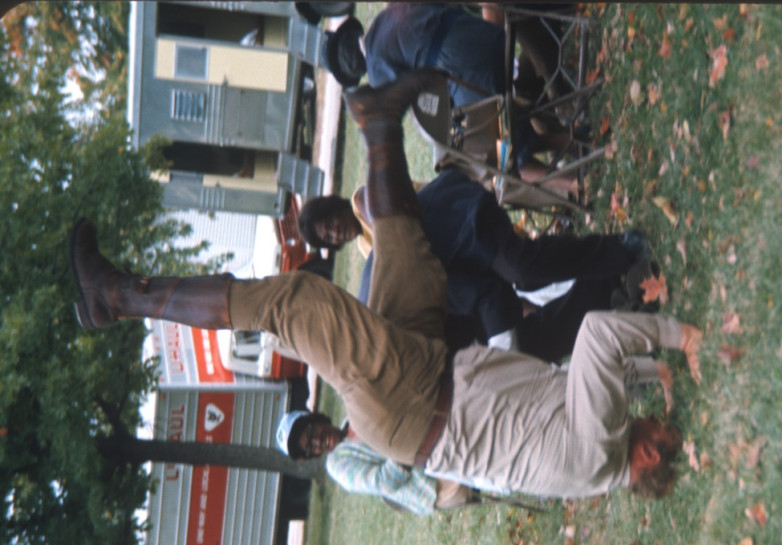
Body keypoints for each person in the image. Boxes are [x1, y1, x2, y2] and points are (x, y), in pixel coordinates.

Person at [68, 68, 700, 500]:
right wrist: (652, 371)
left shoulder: (599, 452)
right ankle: (377, 122)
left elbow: (595, 340)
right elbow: (597, 389)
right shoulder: (602, 446)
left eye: (651, 430)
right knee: (408, 252)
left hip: (412, 404)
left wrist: (678, 338)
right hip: (433, 377)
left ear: (643, 458)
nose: (638, 420)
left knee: (294, 301)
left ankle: (122, 297)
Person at [298, 167, 654, 361]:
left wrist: (502, 346)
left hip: (462, 220)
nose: (335, 232)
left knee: (521, 270)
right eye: (328, 237)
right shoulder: (374, 289)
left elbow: (478, 293)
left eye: (329, 224)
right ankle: (602, 295)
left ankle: (618, 250)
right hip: (456, 272)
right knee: (526, 344)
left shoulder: (370, 211)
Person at [362, 3, 580, 192]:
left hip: (466, 68)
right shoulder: (390, 14)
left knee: (496, 158)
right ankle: (575, 137)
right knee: (501, 126)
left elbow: (417, 102)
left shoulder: (376, 69)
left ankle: (575, 184)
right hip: (488, 37)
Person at [275, 410, 474, 514]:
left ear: (315, 419)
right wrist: (404, 442)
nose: (318, 441)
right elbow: (383, 482)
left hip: (434, 445)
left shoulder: (353, 417)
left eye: (311, 432)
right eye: (310, 447)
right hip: (432, 484)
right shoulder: (336, 465)